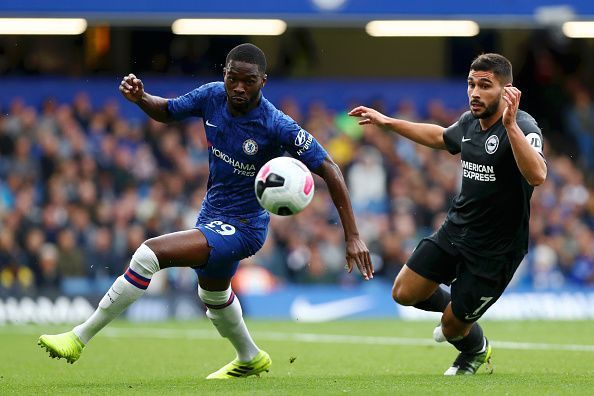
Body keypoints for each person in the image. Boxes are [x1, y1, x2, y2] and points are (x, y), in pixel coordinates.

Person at [38, 43, 373, 379]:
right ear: (224, 75)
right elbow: (167, 111)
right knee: (213, 296)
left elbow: (329, 167)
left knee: (148, 254)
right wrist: (141, 98)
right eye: (233, 78)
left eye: (249, 81)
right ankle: (250, 357)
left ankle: (78, 337)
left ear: (264, 81)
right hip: (211, 215)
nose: (239, 87)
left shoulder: (276, 125)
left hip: (244, 228)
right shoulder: (212, 96)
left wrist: (353, 236)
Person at [349, 53, 546, 375]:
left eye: (485, 85)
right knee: (404, 292)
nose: (475, 93)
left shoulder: (524, 125)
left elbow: (537, 175)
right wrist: (388, 122)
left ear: (507, 91)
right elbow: (441, 137)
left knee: (452, 329)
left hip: (496, 249)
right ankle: (459, 310)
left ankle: (474, 349)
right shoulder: (470, 122)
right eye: (471, 84)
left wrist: (510, 126)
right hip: (457, 229)